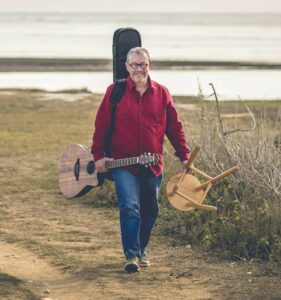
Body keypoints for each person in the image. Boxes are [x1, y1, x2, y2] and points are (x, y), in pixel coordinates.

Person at [91, 47, 190, 273]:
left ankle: (141, 248)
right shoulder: (114, 92)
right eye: (134, 65)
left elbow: (174, 128)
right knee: (130, 207)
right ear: (126, 66)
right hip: (123, 163)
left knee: (150, 210)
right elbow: (102, 127)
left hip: (153, 164)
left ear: (149, 65)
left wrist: (184, 154)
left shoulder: (162, 93)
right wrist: (98, 156)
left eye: (142, 64)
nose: (138, 69)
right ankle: (132, 255)